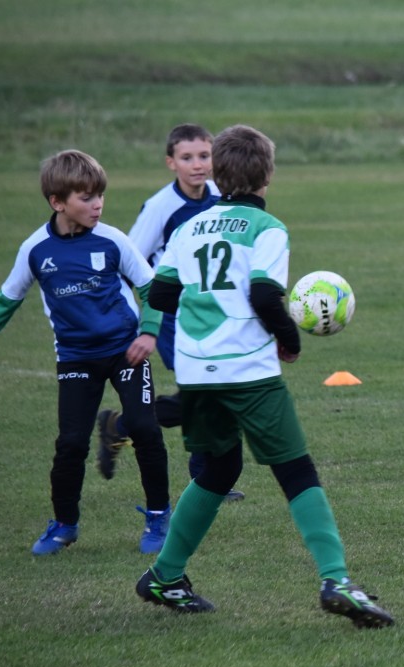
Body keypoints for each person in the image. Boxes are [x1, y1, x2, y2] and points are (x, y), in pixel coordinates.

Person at [134, 124, 394, 627]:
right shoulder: (268, 229)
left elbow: (161, 294)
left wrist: (207, 296)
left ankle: (164, 576)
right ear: (267, 175)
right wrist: (290, 339)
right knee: (296, 470)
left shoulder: (190, 228)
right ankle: (336, 580)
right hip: (247, 369)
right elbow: (262, 294)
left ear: (217, 172)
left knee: (218, 469)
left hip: (196, 369)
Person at [0, 150, 171, 556]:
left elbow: (150, 286)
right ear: (57, 202)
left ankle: (159, 516)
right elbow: (6, 300)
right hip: (75, 358)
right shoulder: (35, 249)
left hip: (126, 351)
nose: (98, 204)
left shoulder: (112, 239)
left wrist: (148, 333)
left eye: (100, 195)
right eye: (86, 198)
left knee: (144, 427)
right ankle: (64, 525)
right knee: (71, 443)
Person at [94, 123, 245, 502]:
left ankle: (120, 426)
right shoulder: (161, 207)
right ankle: (206, 479)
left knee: (208, 391)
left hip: (212, 312)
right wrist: (129, 318)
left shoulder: (220, 196)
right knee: (206, 389)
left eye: (204, 156)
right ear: (171, 162)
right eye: (187, 157)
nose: (198, 165)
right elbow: (128, 261)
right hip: (173, 315)